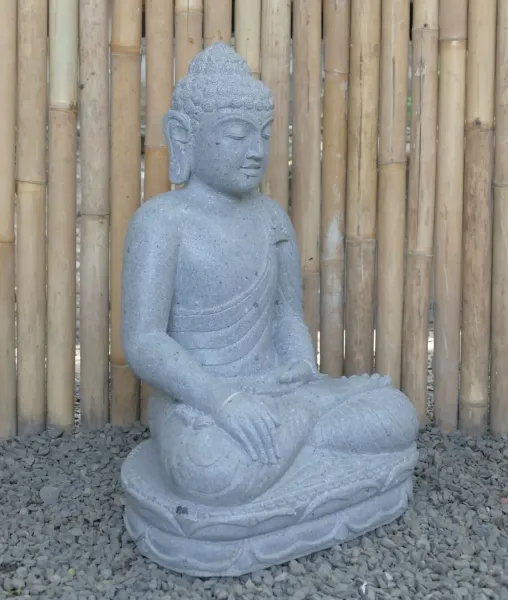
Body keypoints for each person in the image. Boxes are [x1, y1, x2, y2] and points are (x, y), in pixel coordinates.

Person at [121, 42, 419, 508]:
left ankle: (294, 438)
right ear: (183, 136)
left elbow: (285, 315)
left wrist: (300, 366)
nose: (257, 151)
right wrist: (223, 401)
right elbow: (144, 341)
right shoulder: (161, 223)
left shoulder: (271, 219)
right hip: (198, 405)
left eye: (264, 134)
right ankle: (309, 436)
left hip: (277, 390)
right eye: (237, 134)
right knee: (210, 467)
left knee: (396, 412)